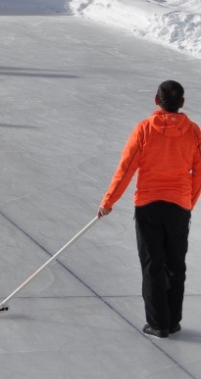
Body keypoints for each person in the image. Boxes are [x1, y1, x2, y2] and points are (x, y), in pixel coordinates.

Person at [97, 80, 201, 339]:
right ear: (182, 103)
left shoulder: (144, 129)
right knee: (175, 264)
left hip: (149, 206)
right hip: (178, 206)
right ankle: (172, 320)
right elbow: (198, 173)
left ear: (157, 100)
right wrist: (188, 202)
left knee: (152, 264)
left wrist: (108, 202)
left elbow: (126, 168)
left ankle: (158, 323)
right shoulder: (195, 132)